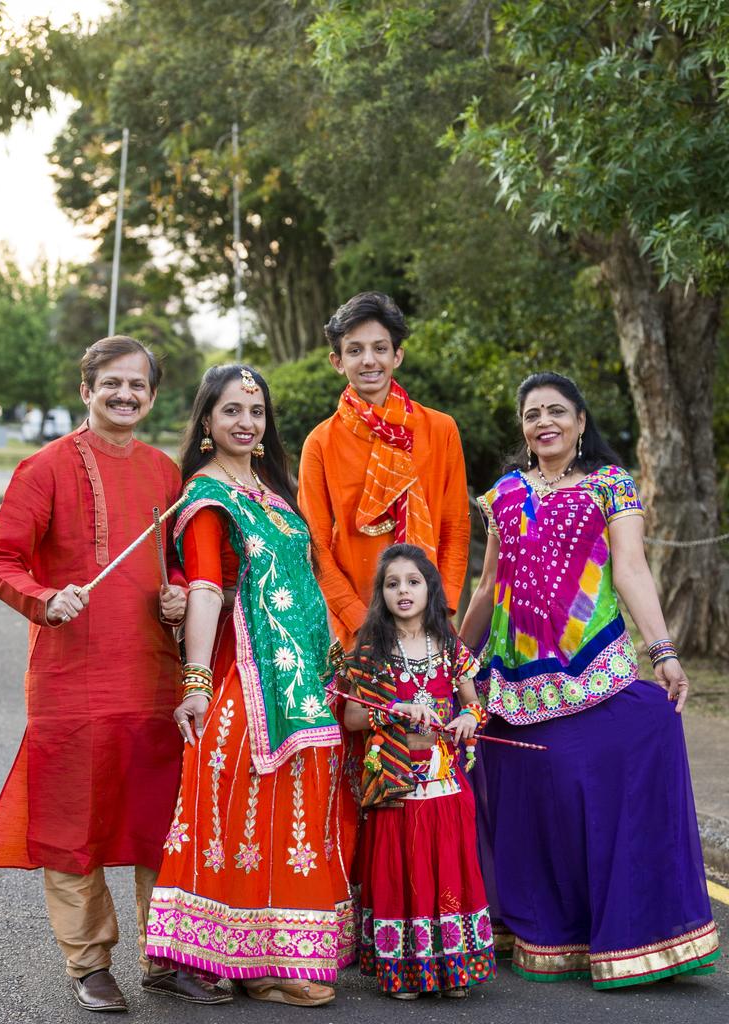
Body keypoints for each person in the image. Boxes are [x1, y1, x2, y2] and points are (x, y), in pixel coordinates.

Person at [0, 336, 227, 1012]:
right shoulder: (43, 468)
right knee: (71, 825)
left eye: (137, 386)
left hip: (151, 677)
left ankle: (166, 957)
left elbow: (176, 564)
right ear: (86, 390)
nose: (125, 395)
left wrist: (177, 593)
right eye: (111, 384)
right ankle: (88, 963)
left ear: (150, 396)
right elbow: (0, 561)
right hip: (70, 682)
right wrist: (45, 599)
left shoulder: (166, 477)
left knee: (159, 823)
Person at [461, 371, 720, 989]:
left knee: (632, 754)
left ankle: (636, 930)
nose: (543, 422)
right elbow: (489, 586)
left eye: (557, 411)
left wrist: (663, 652)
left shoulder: (611, 486)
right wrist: (451, 660)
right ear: (524, 431)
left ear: (580, 423)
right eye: (532, 414)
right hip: (515, 679)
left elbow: (631, 569)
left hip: (592, 669)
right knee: (531, 805)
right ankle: (543, 933)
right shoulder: (502, 496)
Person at [145, 364, 356, 1007]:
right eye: (231, 410)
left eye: (256, 411)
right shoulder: (207, 496)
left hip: (304, 681)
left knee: (298, 808)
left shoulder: (271, 490)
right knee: (243, 811)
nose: (245, 421)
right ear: (206, 421)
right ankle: (222, 955)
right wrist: (199, 683)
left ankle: (275, 953)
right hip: (247, 681)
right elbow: (206, 588)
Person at [342, 543, 496, 1000]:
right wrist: (394, 708)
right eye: (392, 584)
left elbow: (473, 704)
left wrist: (470, 717)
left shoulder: (449, 644)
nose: (403, 591)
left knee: (449, 868)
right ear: (381, 594)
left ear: (430, 589)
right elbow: (352, 717)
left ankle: (454, 967)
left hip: (445, 781)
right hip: (394, 782)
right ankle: (405, 971)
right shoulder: (370, 650)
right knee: (400, 870)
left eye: (413, 582)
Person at [298, 292, 470, 652]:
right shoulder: (321, 443)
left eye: (380, 348)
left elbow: (455, 527)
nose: (369, 360)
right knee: (359, 711)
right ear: (337, 361)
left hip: (431, 621)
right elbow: (315, 547)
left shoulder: (440, 429)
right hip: (357, 629)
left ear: (398, 355)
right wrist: (361, 622)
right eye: (355, 350)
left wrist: (443, 605)